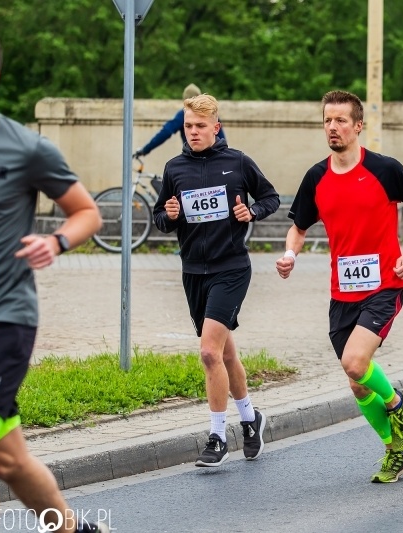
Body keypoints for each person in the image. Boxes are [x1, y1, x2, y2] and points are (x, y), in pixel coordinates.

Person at [275, 90, 403, 483]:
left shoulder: (384, 169)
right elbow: (297, 228)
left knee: (355, 363)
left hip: (385, 284)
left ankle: (398, 404)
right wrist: (290, 257)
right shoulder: (317, 177)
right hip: (341, 290)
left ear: (358, 126)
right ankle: (394, 450)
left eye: (341, 120)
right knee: (357, 384)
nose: (333, 127)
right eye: (328, 120)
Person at [0, 31, 109, 533]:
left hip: (4, 317)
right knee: (8, 460)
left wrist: (56, 241)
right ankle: (70, 529)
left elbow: (87, 212)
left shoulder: (25, 147)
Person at [152, 94, 279, 467]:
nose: (193, 132)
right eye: (188, 126)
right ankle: (251, 418)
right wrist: (169, 214)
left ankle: (217, 437)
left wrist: (251, 210)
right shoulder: (175, 168)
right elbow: (162, 216)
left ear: (215, 127)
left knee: (208, 352)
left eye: (200, 127)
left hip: (231, 269)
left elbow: (270, 198)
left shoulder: (237, 162)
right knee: (225, 352)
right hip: (193, 271)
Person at [133, 83, 226, 158]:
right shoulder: (211, 114)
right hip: (215, 157)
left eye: (200, 125)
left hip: (194, 158)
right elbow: (222, 141)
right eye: (188, 126)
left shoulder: (184, 114)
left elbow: (166, 132)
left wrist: (145, 150)